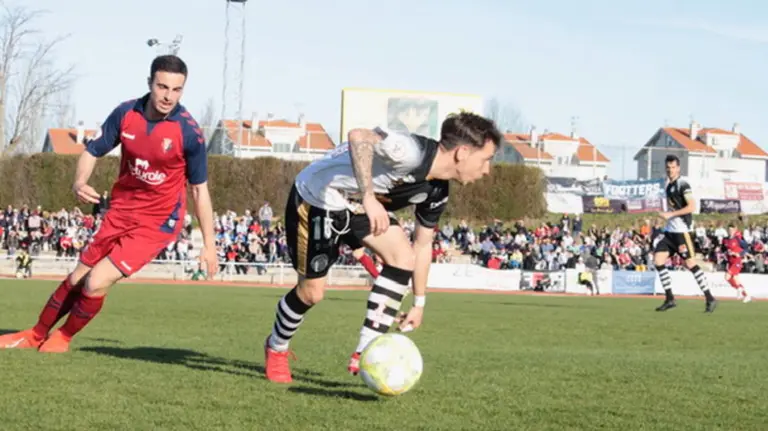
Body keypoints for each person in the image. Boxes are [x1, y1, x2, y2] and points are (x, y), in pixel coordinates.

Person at [0, 55, 218, 353]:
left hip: (156, 222)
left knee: (95, 282)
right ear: (150, 83)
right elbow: (92, 151)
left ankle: (62, 337)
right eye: (162, 86)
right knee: (77, 277)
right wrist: (79, 181)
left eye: (177, 90)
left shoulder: (189, 133)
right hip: (121, 211)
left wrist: (209, 244)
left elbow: (199, 191)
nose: (168, 96)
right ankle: (35, 335)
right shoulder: (126, 113)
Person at [263, 112, 502, 383]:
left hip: (358, 206)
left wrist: (419, 303)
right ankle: (276, 347)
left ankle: (366, 351)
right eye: (486, 160)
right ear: (462, 152)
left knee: (402, 256)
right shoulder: (410, 152)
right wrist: (368, 196)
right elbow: (358, 136)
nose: (487, 170)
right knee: (311, 294)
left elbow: (422, 246)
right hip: (317, 197)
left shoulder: (437, 192)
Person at [653, 154, 717, 313]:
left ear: (678, 168)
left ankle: (709, 297)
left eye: (673, 167)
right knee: (658, 260)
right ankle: (670, 299)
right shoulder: (669, 186)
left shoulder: (683, 184)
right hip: (670, 232)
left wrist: (670, 215)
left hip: (682, 232)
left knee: (690, 264)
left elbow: (691, 207)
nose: (670, 170)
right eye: (668, 167)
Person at [722, 225, 751, 303]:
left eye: (732, 230)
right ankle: (746, 295)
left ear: (735, 230)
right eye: (729, 230)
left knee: (727, 277)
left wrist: (740, 254)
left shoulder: (738, 238)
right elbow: (723, 248)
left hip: (737, 261)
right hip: (730, 261)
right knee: (736, 281)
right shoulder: (725, 239)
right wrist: (724, 252)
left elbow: (746, 248)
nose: (730, 231)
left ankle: (738, 288)